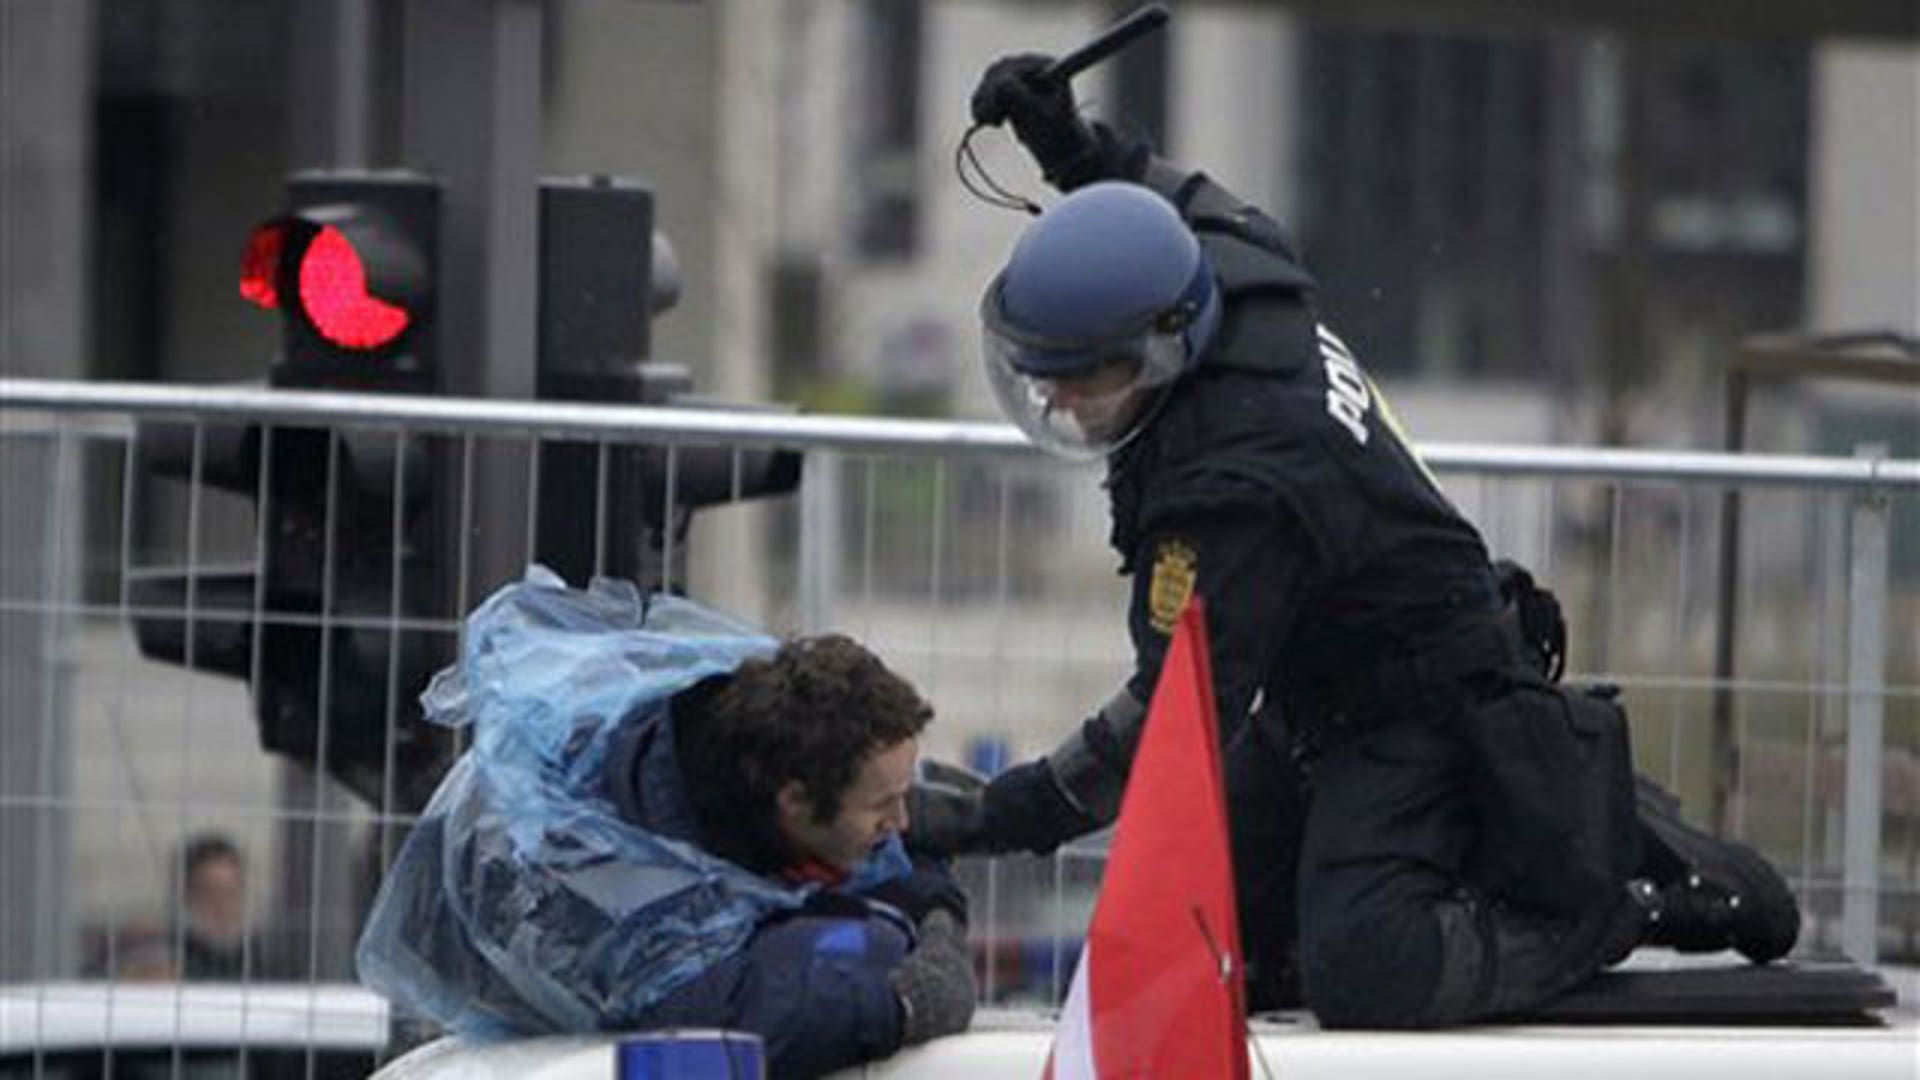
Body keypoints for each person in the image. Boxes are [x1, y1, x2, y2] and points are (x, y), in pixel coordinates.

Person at [911, 54, 1801, 1028]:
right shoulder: (1236, 269)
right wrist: (1068, 144)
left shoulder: (1234, 485)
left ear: (1163, 346)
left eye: (1082, 376)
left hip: (1422, 709)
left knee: (1368, 973)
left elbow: (1171, 720)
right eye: (1042, 373)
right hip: (1315, 694)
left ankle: (1615, 884)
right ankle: (1556, 830)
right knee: (1201, 947)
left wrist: (1003, 816)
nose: (1057, 399)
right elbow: (1173, 202)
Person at [357, 571, 974, 1079]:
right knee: (842, 953)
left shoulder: (762, 733)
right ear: (794, 801)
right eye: (882, 805)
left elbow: (879, 861)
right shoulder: (617, 883)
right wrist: (904, 1005)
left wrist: (937, 912)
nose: (902, 821)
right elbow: (726, 1027)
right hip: (510, 1016)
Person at [176, 832, 257, 980]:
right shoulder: (173, 958)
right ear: (187, 897)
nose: (222, 906)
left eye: (230, 892)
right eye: (210, 893)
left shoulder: (264, 958)